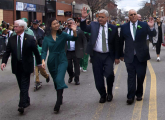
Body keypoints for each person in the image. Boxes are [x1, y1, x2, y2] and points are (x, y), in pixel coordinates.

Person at [1, 20, 41, 114]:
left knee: (24, 84)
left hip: (26, 64)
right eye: (14, 27)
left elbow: (36, 52)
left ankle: (21, 105)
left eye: (16, 26)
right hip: (16, 65)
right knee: (21, 84)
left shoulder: (30, 38)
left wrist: (39, 63)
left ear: (22, 27)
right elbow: (7, 52)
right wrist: (4, 62)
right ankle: (26, 99)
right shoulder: (12, 38)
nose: (14, 28)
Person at [80, 8, 120, 103]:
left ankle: (109, 92)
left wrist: (117, 57)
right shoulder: (93, 25)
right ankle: (102, 94)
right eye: (99, 17)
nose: (100, 19)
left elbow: (117, 43)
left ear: (107, 18)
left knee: (109, 74)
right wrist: (83, 18)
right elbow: (84, 28)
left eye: (102, 17)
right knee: (98, 77)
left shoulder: (113, 28)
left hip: (108, 55)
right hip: (96, 55)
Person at [41, 17, 78, 113]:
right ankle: (60, 95)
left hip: (62, 59)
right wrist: (43, 60)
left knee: (59, 79)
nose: (57, 25)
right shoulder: (46, 38)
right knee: (55, 81)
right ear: (50, 26)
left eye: (57, 23)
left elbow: (74, 38)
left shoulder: (63, 34)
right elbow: (44, 51)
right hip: (51, 61)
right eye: (54, 24)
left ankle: (57, 103)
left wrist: (74, 31)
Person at [120, 9, 156, 105]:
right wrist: (120, 55)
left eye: (134, 14)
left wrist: (152, 27)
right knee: (131, 76)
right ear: (128, 16)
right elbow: (120, 42)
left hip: (141, 56)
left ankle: (139, 93)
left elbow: (153, 35)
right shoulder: (124, 27)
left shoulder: (144, 25)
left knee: (140, 76)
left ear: (137, 15)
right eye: (131, 14)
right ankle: (130, 96)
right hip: (129, 56)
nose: (133, 16)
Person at [64, 18, 87, 85]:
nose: (69, 24)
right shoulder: (64, 32)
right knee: (68, 66)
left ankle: (77, 79)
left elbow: (84, 40)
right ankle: (71, 75)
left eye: (70, 23)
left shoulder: (79, 31)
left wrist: (85, 49)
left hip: (76, 51)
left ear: (74, 23)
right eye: (68, 23)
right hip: (67, 52)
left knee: (76, 65)